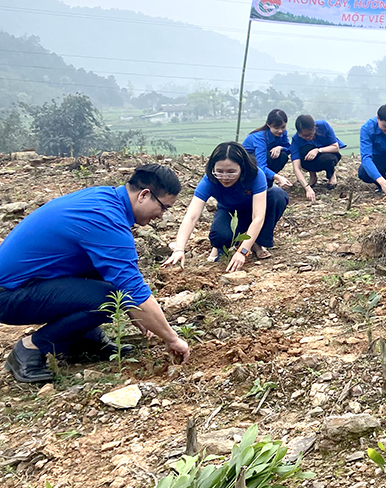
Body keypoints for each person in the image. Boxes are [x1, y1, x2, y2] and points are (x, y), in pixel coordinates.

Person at [0, 164, 191, 383]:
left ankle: (83, 339)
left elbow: (113, 273)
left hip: (29, 282)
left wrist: (135, 312)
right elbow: (132, 288)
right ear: (144, 195)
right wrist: (172, 338)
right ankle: (30, 348)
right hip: (8, 294)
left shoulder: (104, 199)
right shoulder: (106, 218)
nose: (162, 216)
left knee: (108, 282)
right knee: (112, 298)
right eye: (163, 207)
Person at [164, 142, 288, 271]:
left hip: (255, 208)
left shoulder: (255, 175)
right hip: (229, 212)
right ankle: (223, 246)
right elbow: (191, 216)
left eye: (231, 172)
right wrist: (179, 249)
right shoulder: (209, 181)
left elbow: (258, 217)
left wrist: (242, 251)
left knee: (277, 195)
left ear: (242, 168)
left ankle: (258, 242)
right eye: (219, 172)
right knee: (219, 237)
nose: (225, 177)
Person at [289, 114, 346, 201]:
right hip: (309, 161)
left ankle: (331, 174)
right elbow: (296, 168)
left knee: (329, 159)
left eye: (310, 134)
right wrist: (307, 188)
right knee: (305, 149)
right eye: (304, 136)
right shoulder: (296, 140)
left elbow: (335, 147)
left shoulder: (323, 126)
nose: (308, 137)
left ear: (314, 128)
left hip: (328, 154)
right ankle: (312, 175)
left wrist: (317, 150)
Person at [242, 108, 293, 189]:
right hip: (248, 163)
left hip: (263, 158)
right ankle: (258, 183)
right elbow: (260, 165)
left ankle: (267, 183)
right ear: (269, 125)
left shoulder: (283, 133)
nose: (280, 131)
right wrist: (278, 178)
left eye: (283, 127)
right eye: (276, 128)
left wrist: (280, 147)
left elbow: (289, 148)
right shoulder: (260, 138)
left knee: (282, 156)